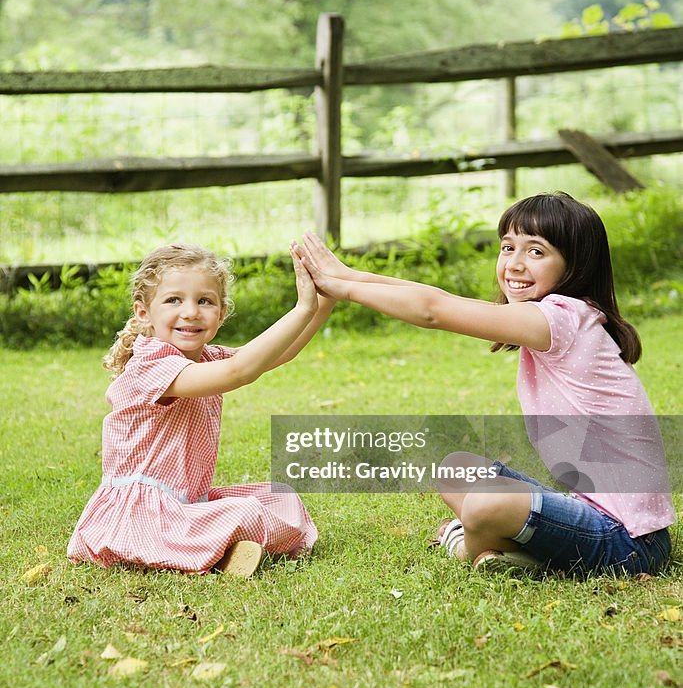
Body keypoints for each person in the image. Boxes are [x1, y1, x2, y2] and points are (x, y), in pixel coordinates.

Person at [297, 192, 675, 576]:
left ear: (574, 265)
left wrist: (343, 289)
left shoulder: (561, 320)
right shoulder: (555, 318)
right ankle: (504, 548)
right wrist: (345, 274)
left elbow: (432, 312)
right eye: (508, 247)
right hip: (589, 511)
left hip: (628, 542)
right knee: (455, 469)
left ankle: (466, 544)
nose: (514, 263)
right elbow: (439, 297)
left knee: (485, 505)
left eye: (536, 252)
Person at [68, 242, 333, 576]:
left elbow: (277, 354)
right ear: (143, 312)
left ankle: (213, 548)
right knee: (244, 515)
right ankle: (208, 553)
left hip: (187, 503)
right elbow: (240, 372)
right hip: (142, 514)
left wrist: (323, 302)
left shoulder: (207, 357)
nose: (191, 311)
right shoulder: (151, 364)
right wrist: (303, 308)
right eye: (173, 300)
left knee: (280, 498)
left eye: (204, 301)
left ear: (221, 314)